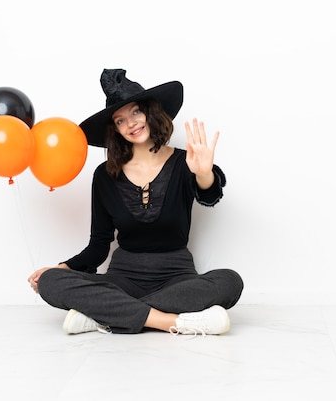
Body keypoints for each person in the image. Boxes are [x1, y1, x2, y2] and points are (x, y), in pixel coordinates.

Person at [27, 69, 243, 336]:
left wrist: (203, 174)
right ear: (115, 130)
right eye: (120, 120)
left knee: (230, 282)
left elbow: (210, 196)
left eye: (136, 112)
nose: (130, 124)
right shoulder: (104, 175)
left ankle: (103, 315)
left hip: (177, 279)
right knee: (51, 282)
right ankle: (170, 321)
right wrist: (61, 268)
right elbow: (98, 246)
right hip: (122, 280)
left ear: (151, 112)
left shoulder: (185, 162)